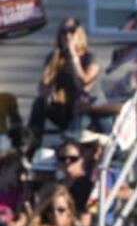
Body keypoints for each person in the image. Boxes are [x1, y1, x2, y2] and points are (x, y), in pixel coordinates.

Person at [27, 18, 103, 146]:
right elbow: (42, 91)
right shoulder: (54, 57)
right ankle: (30, 147)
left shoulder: (90, 57)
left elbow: (83, 85)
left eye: (72, 31)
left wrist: (73, 54)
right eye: (64, 32)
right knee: (39, 103)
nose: (67, 36)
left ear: (79, 34)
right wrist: (52, 65)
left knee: (81, 101)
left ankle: (70, 146)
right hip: (65, 109)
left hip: (87, 109)